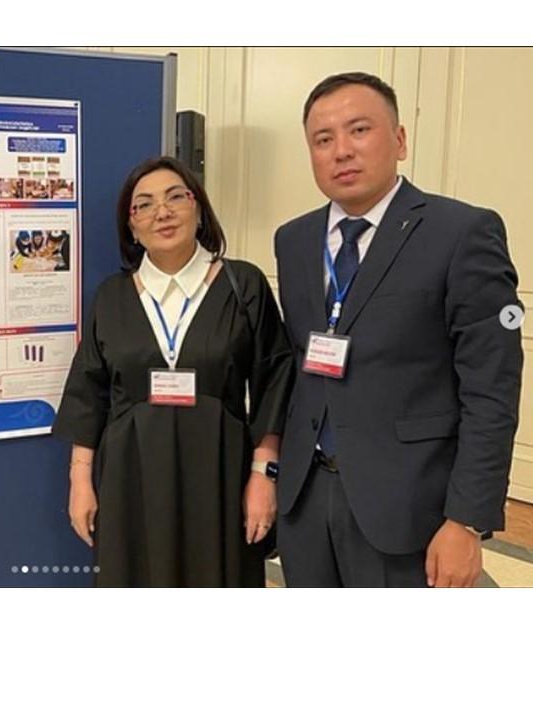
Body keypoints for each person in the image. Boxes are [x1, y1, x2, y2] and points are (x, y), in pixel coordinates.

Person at [274, 72, 522, 588]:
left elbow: (491, 389)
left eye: (359, 130)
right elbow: (295, 366)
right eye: (323, 139)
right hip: (306, 500)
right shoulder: (293, 240)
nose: (342, 151)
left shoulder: (461, 232)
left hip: (409, 506)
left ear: (400, 140)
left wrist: (466, 519)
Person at [53, 156, 294, 587]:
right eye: (144, 205)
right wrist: (80, 482)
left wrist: (264, 477)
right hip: (130, 475)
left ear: (198, 208)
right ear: (131, 226)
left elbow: (273, 384)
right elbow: (89, 393)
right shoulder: (112, 296)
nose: (161, 212)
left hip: (221, 474)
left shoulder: (243, 285)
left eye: (175, 197)